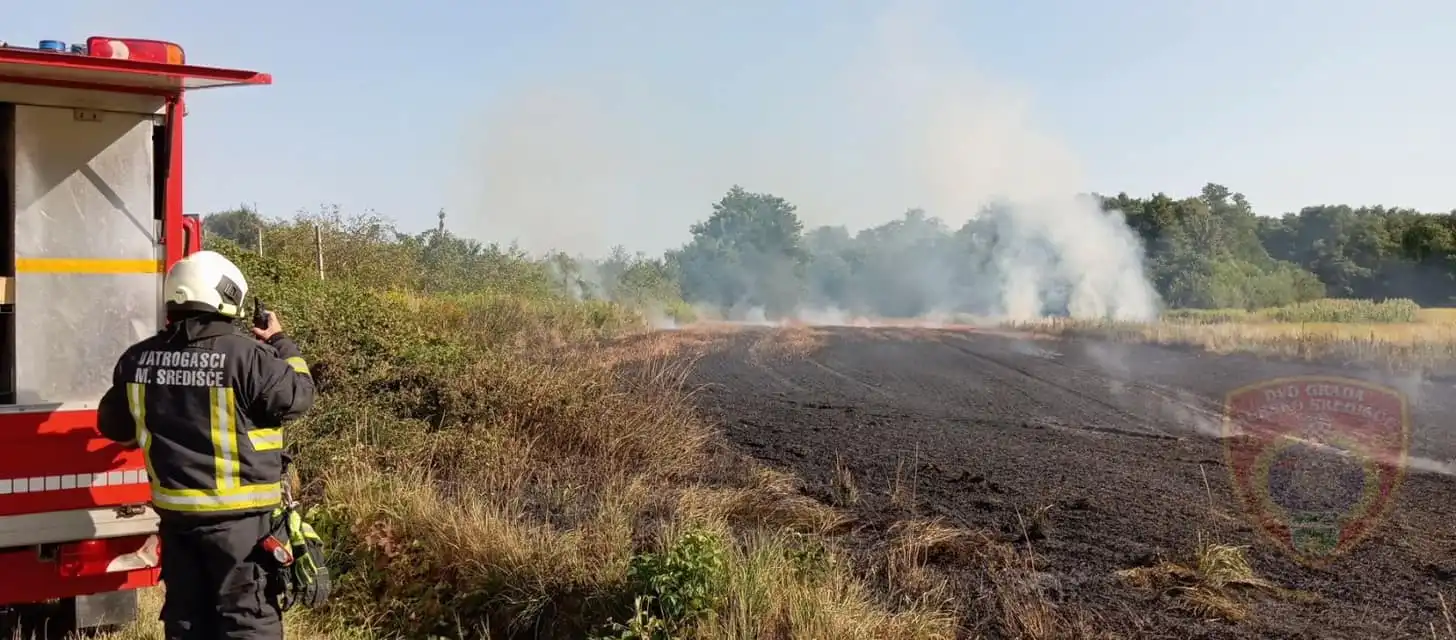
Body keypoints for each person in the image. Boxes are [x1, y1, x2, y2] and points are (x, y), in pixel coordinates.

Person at [96, 250, 316, 640]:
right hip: (240, 529)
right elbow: (300, 395)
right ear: (227, 297)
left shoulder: (136, 360)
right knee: (247, 620)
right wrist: (281, 342)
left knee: (187, 620)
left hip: (177, 523)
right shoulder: (250, 357)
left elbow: (114, 426)